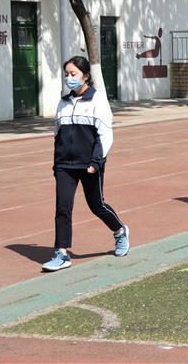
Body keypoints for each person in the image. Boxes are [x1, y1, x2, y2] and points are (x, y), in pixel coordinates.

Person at [42, 56, 129, 272]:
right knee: (62, 207)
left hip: (90, 164)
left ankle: (120, 231)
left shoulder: (98, 101)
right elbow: (57, 135)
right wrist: (57, 164)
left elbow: (105, 135)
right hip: (65, 165)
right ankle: (61, 253)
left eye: (73, 74)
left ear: (86, 76)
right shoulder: (63, 103)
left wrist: (95, 162)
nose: (69, 78)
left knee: (96, 205)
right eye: (66, 74)